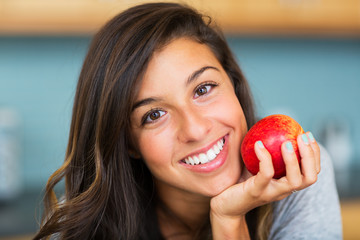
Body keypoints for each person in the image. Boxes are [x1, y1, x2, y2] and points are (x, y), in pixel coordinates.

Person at [33, 2, 342, 240]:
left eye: (203, 89)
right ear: (128, 143)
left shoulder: (295, 175)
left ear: (233, 83)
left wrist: (228, 220)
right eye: (154, 115)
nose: (195, 129)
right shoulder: (82, 228)